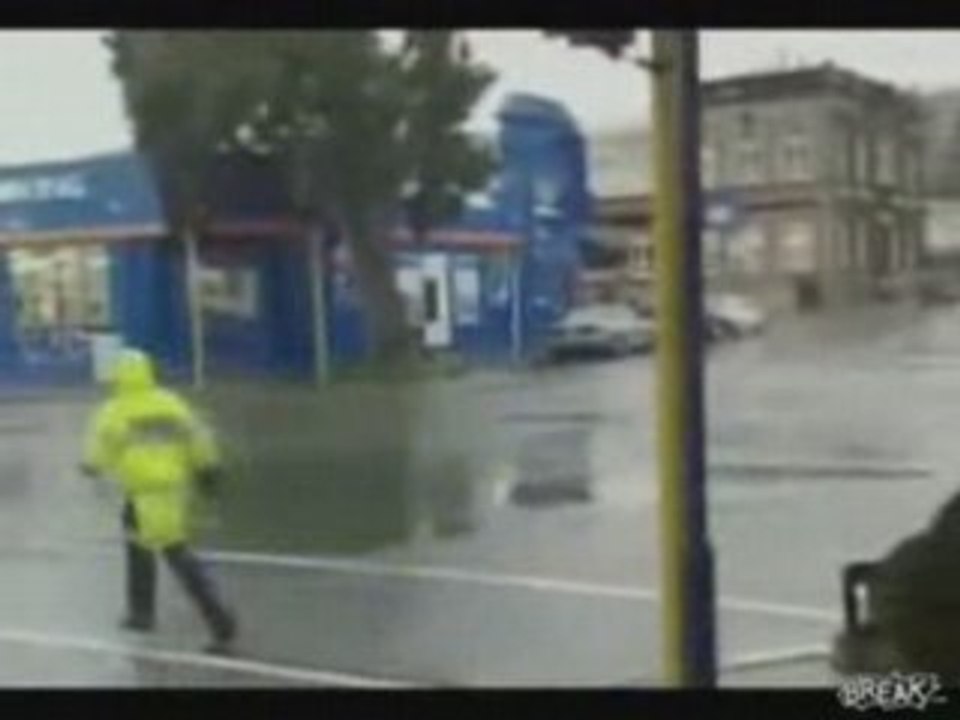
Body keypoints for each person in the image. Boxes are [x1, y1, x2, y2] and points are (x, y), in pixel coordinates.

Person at [81, 348, 238, 655]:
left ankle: (219, 620)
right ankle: (141, 611)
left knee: (174, 553)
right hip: (173, 489)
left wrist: (91, 466)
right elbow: (198, 436)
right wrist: (207, 468)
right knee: (140, 543)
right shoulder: (171, 404)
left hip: (144, 491)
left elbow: (99, 447)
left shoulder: (115, 410)